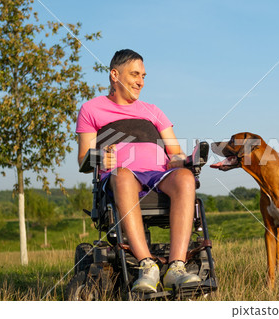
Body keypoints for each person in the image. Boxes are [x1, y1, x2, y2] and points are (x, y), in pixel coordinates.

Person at [76, 49, 201, 293]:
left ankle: (176, 267)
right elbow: (83, 159)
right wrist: (101, 157)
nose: (140, 81)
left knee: (186, 177)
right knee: (122, 175)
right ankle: (147, 265)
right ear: (115, 75)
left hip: (158, 176)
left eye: (143, 76)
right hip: (120, 177)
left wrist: (188, 160)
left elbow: (174, 153)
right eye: (134, 74)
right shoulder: (91, 109)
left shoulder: (153, 110)